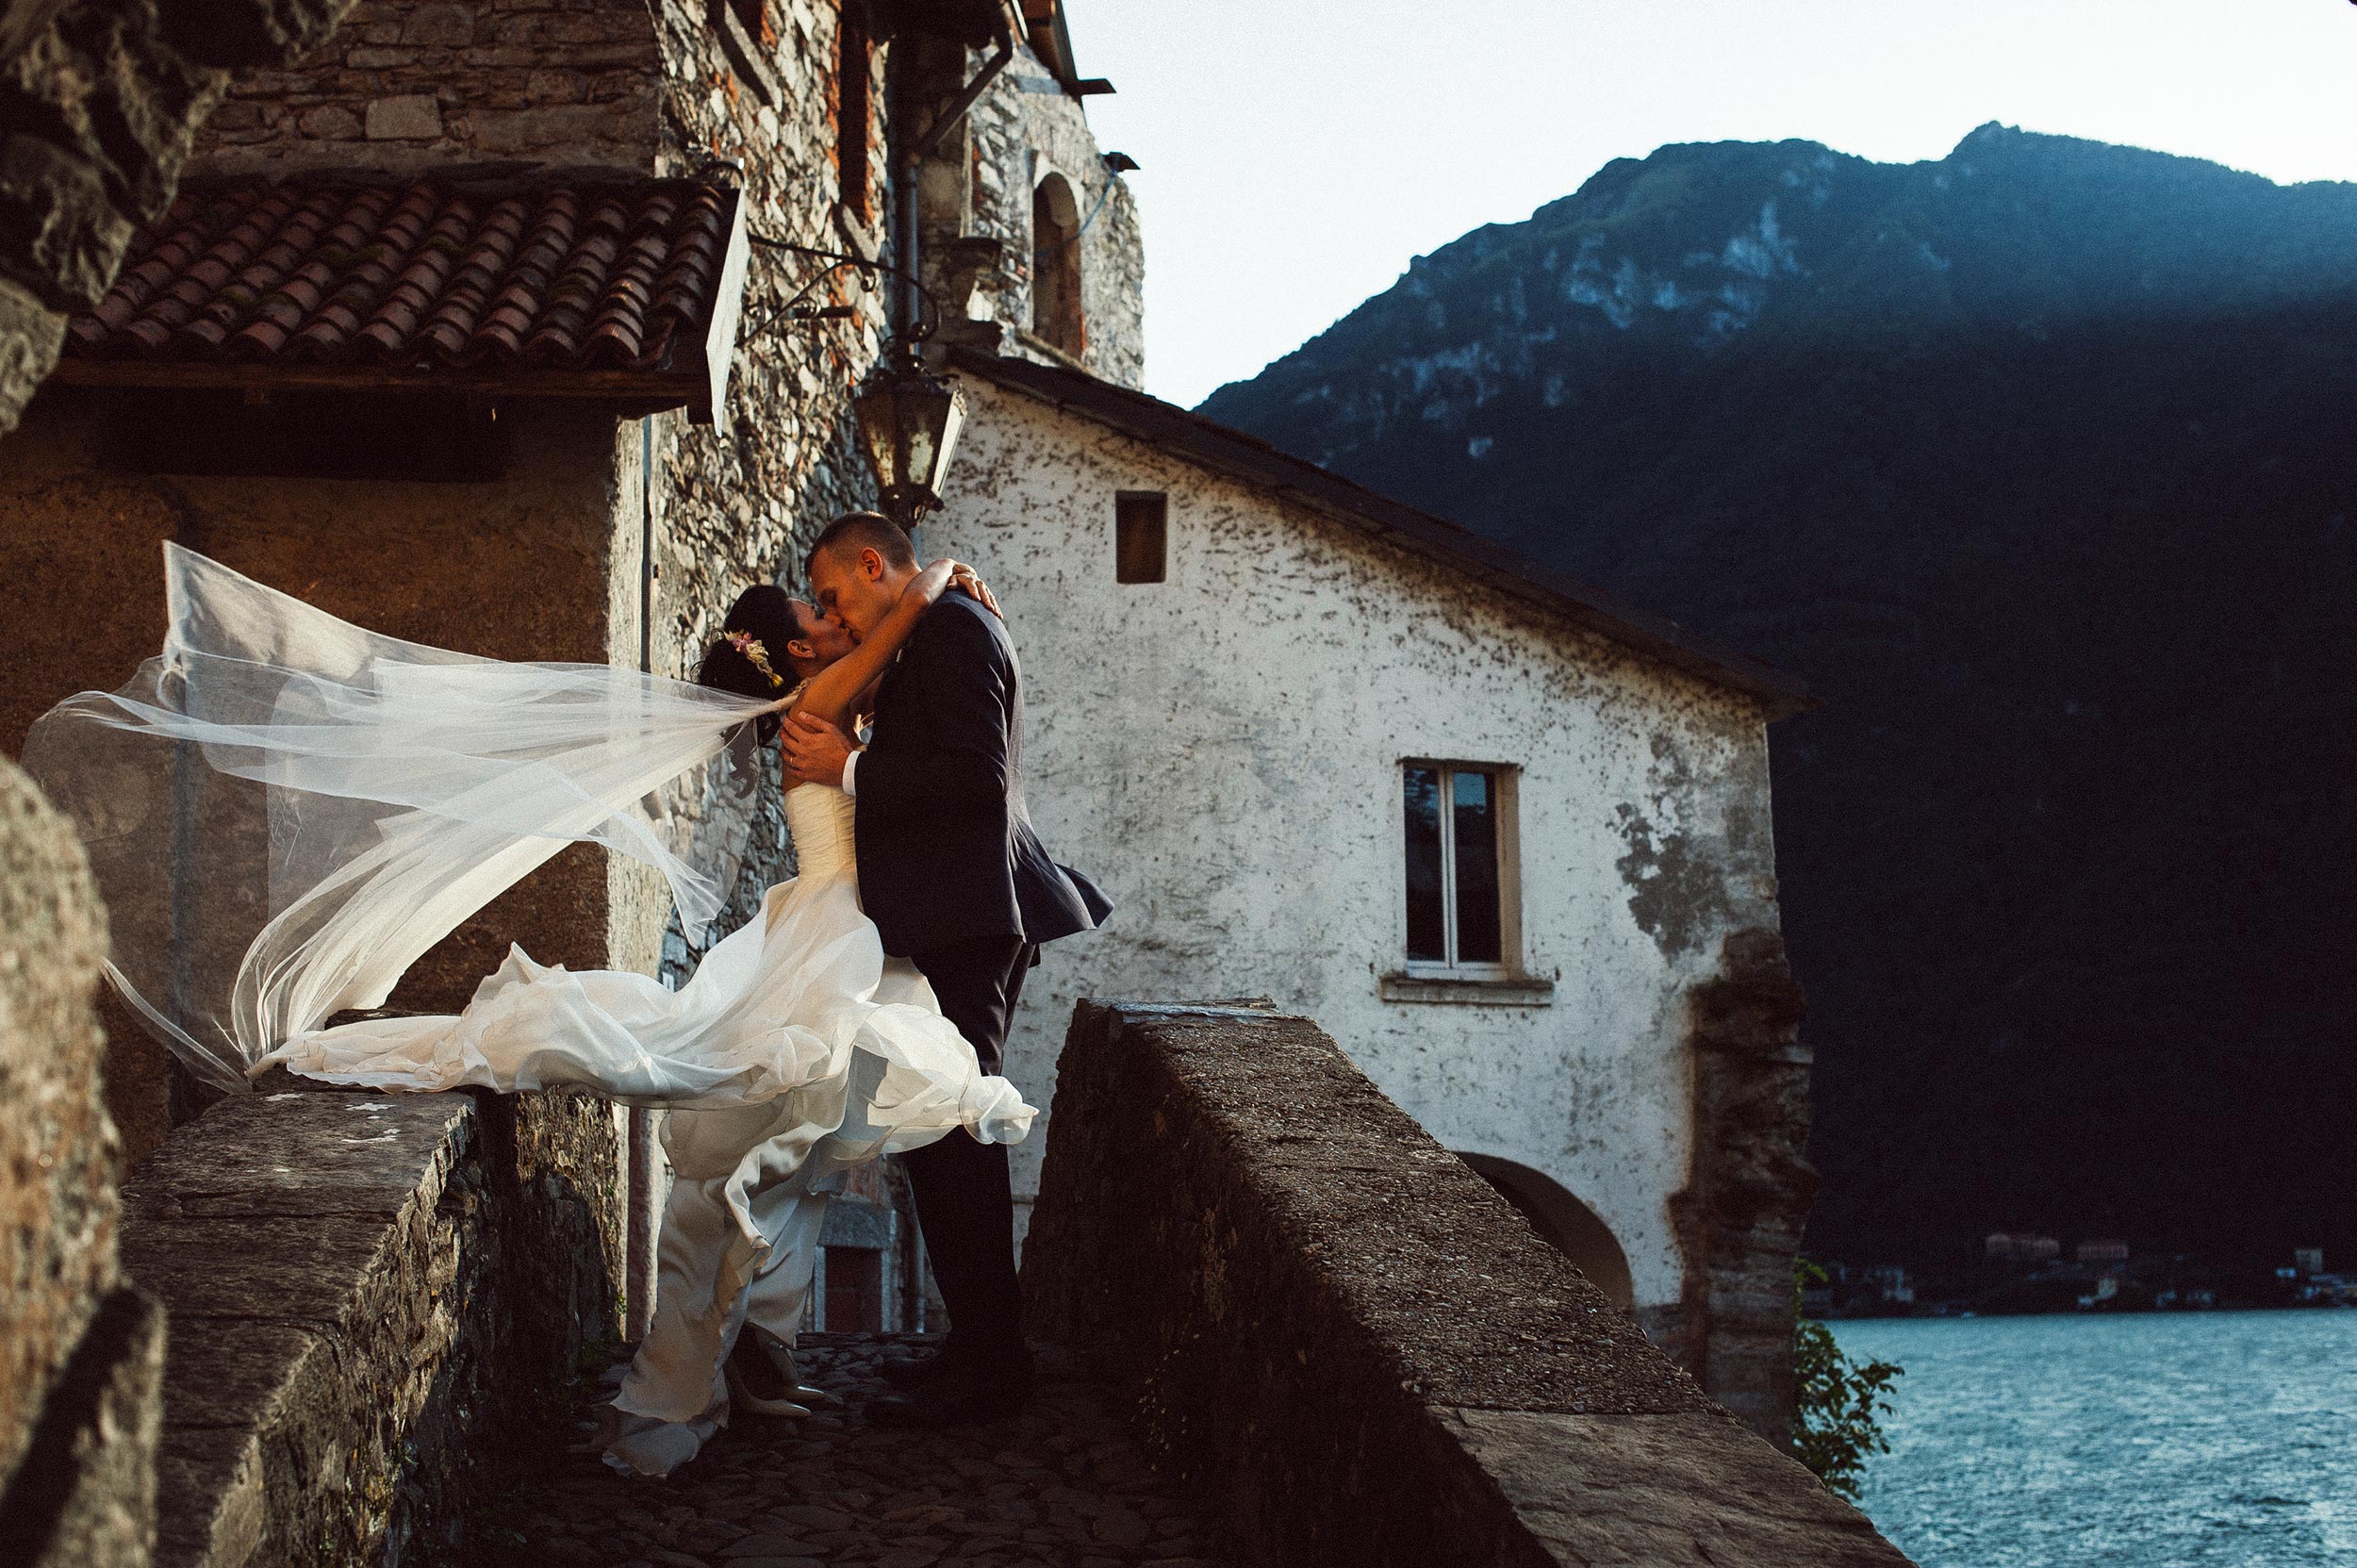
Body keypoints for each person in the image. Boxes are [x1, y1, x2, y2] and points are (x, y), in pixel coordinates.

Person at [238, 553, 1041, 1474]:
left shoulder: (828, 708)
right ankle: (912, 1354)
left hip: (843, 937)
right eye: (815, 614)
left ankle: (791, 1355)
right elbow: (900, 642)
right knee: (825, 1130)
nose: (835, 619)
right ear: (793, 653)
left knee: (791, 1146)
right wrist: (932, 574)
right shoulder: (825, 708)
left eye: (831, 605)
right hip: (834, 943)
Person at [782, 511, 1111, 1428]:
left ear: (876, 565)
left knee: (960, 1131)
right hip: (948, 915)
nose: (833, 614)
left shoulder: (959, 630)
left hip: (972, 917)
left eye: (837, 595)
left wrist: (852, 763)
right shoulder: (933, 625)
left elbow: (973, 776)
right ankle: (974, 1347)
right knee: (938, 1134)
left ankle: (995, 1365)